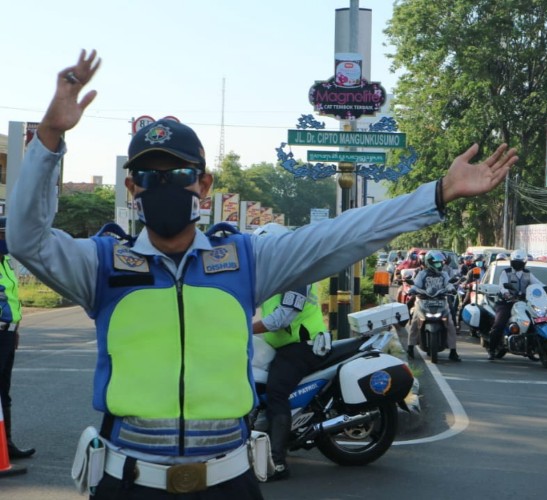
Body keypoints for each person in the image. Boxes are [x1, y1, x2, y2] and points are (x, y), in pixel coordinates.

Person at [6, 50, 517, 498]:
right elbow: (27, 238)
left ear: (203, 185)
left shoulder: (245, 259)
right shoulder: (102, 265)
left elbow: (343, 235)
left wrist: (437, 194)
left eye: (179, 174)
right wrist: (49, 139)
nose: (164, 185)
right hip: (128, 484)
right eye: (149, 176)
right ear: (132, 188)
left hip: (228, 484)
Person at [249, 223, 328, 481]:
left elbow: (283, 317)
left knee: (276, 391)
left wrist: (247, 327)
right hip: (279, 344)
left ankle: (278, 462)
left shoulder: (297, 275)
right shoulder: (270, 275)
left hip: (303, 346)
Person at [0, 217, 35, 460]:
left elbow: (10, 298)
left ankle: (6, 444)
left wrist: (15, 329)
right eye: (4, 234)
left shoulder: (5, 262)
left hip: (8, 333)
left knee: (4, 391)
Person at [407, 251, 461, 362]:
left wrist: (451, 288)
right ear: (429, 263)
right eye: (437, 263)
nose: (440, 265)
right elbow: (416, 285)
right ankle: (410, 347)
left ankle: (453, 351)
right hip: (423, 301)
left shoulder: (444, 274)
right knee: (415, 322)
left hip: (441, 301)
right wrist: (413, 289)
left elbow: (448, 284)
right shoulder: (422, 274)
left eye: (440, 263)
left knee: (450, 324)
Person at [487, 249, 540, 360]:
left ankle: (532, 349)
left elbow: (537, 284)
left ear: (524, 262)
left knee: (534, 321)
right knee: (499, 323)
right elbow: (502, 286)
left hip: (524, 303)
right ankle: (491, 349)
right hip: (506, 303)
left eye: (519, 262)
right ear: (511, 261)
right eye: (515, 261)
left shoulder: (527, 274)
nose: (517, 264)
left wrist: (546, 289)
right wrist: (507, 295)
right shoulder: (505, 273)